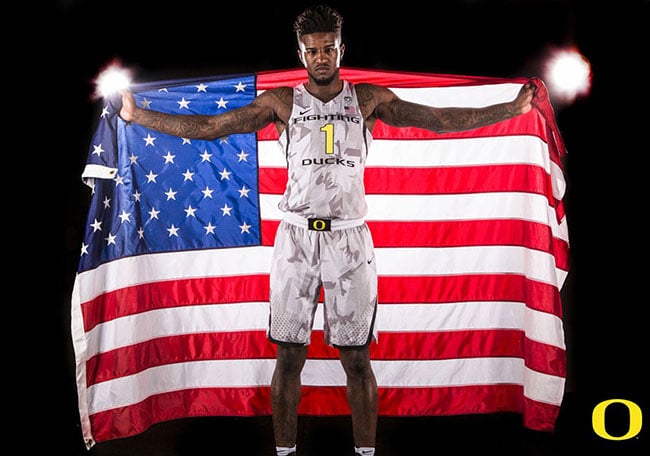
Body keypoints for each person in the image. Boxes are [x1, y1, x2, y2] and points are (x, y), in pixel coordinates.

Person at [119, 5, 535, 455]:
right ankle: (285, 451)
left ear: (341, 49)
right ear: (301, 54)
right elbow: (212, 127)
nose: (321, 57)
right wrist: (138, 116)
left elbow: (436, 119)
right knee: (288, 355)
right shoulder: (282, 103)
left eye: (329, 49)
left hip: (349, 240)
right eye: (313, 50)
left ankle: (365, 452)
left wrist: (510, 109)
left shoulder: (367, 99)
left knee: (356, 359)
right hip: (296, 239)